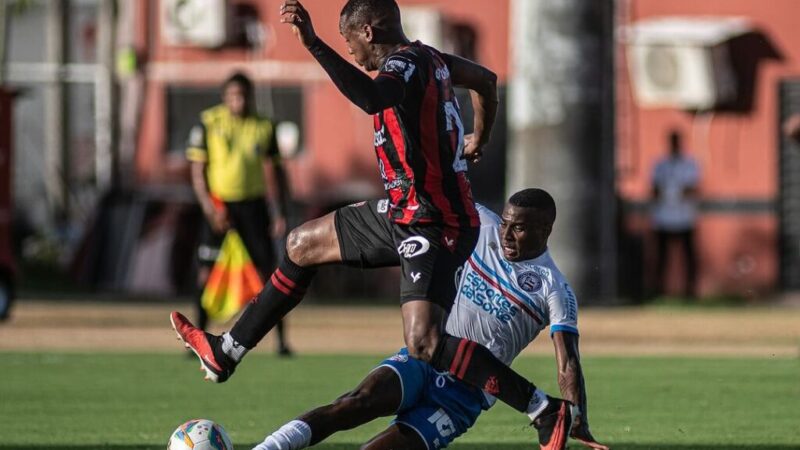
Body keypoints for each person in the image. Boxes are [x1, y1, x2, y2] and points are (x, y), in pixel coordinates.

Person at [171, 1, 573, 447]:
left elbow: (371, 98)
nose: (352, 56)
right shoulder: (432, 61)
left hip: (436, 223)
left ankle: (543, 408)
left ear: (367, 31)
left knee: (423, 342)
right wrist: (483, 133)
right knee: (302, 245)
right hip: (402, 211)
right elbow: (486, 80)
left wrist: (314, 45)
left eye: (349, 45)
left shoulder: (403, 64)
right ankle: (227, 350)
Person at [253, 189, 608, 450]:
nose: (506, 234)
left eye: (519, 228)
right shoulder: (480, 224)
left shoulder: (554, 288)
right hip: (425, 357)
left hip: (463, 397)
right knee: (353, 404)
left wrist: (579, 417)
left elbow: (568, 362)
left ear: (545, 230)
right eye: (506, 223)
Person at [186, 72, 292, 355]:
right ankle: (197, 337)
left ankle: (281, 341)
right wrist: (210, 209)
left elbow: (276, 171)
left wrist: (279, 211)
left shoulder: (263, 126)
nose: (239, 101)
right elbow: (198, 172)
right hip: (219, 206)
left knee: (271, 275)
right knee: (206, 273)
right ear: (224, 98)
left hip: (254, 207)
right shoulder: (209, 122)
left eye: (243, 96)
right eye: (233, 96)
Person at [651, 130, 701, 298]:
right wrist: (674, 192)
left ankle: (690, 291)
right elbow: (654, 189)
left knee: (689, 257)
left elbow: (691, 188)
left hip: (684, 217)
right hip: (664, 218)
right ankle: (659, 290)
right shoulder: (660, 165)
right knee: (662, 258)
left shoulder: (689, 164)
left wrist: (670, 192)